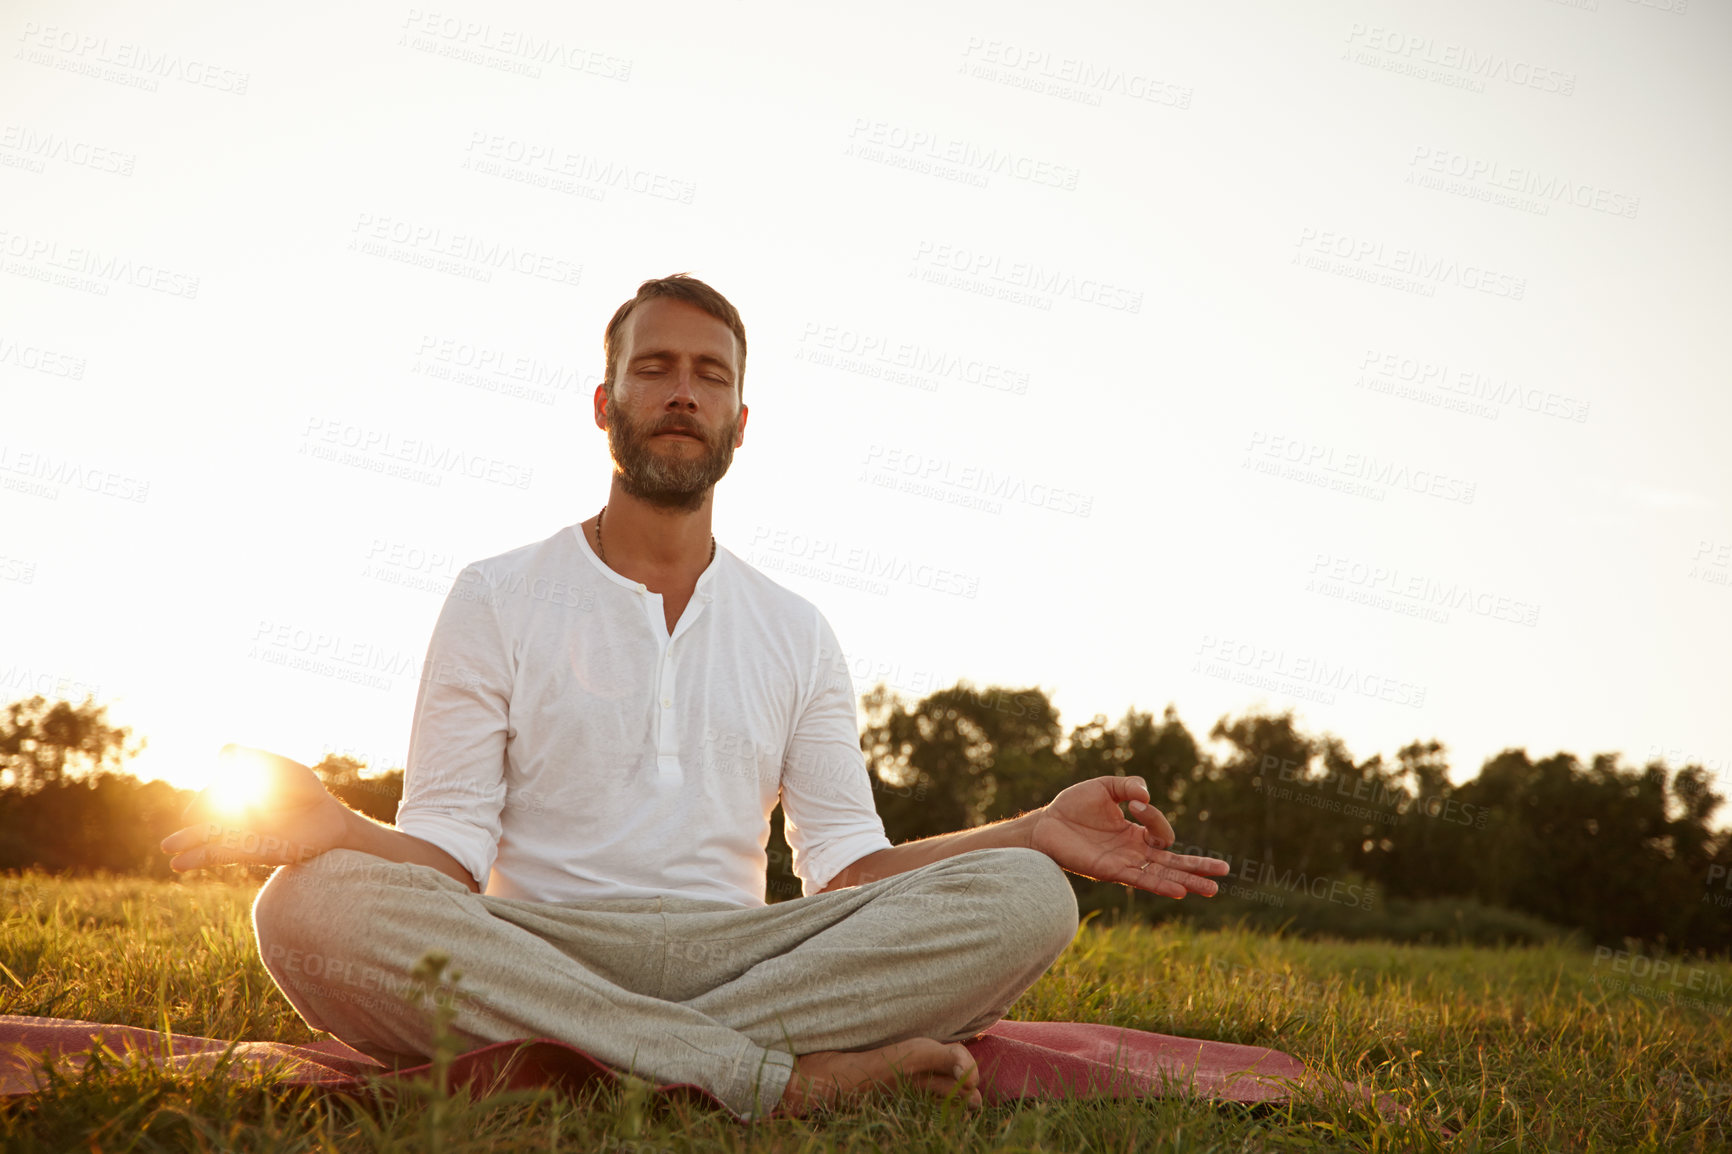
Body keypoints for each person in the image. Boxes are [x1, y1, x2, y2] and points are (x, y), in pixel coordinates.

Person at [161, 274, 1231, 1119]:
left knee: (1028, 891)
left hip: (750, 953)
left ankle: (615, 1055)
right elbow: (443, 850)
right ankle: (778, 1080)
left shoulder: (795, 627)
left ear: (740, 418)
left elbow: (846, 868)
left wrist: (1035, 827)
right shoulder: (495, 592)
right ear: (604, 401)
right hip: (539, 943)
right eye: (656, 367)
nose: (683, 391)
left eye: (709, 375)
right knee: (304, 906)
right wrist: (332, 825)